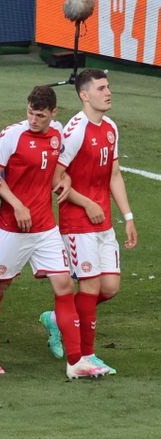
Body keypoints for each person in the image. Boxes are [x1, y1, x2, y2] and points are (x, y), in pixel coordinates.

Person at [0, 85, 108, 379]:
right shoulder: (12, 135)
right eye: (30, 113)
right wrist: (16, 205)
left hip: (46, 227)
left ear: (52, 113)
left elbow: (56, 171)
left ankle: (75, 362)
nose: (33, 119)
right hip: (12, 227)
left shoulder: (57, 134)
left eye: (40, 115)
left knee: (64, 287)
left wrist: (64, 182)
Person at [39, 69, 138, 375]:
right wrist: (86, 202)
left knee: (110, 286)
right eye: (102, 88)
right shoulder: (75, 130)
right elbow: (56, 177)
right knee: (91, 286)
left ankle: (58, 319)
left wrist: (128, 217)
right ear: (84, 95)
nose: (108, 93)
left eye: (109, 87)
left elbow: (114, 175)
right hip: (77, 221)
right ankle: (85, 356)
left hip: (104, 222)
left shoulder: (110, 127)